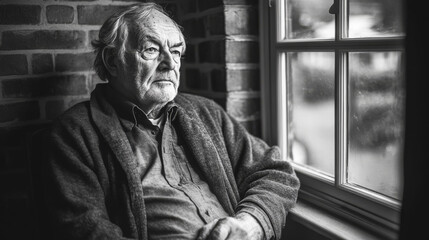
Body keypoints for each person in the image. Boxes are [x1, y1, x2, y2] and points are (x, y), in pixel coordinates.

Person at [44, 3, 300, 240]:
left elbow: (276, 171)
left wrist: (250, 223)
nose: (170, 64)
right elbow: (84, 228)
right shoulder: (74, 133)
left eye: (176, 51)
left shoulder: (205, 112)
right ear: (113, 61)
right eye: (152, 50)